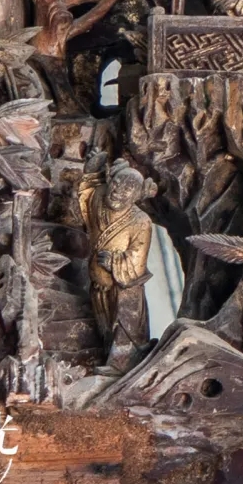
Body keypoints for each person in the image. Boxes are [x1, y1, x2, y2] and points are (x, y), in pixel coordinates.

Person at [79, 153, 156, 372]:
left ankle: (122, 366)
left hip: (123, 289)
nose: (116, 192)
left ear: (135, 197)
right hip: (98, 284)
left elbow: (137, 262)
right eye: (115, 185)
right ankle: (107, 358)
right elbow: (86, 198)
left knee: (123, 328)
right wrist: (92, 171)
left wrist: (114, 262)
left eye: (125, 191)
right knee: (104, 325)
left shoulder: (141, 222)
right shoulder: (100, 196)